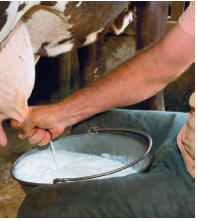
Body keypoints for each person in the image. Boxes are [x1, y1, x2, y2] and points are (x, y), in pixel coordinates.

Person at [11, 2, 195, 218]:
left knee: (40, 205)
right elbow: (159, 64)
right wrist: (62, 113)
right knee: (87, 127)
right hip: (186, 131)